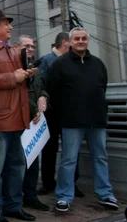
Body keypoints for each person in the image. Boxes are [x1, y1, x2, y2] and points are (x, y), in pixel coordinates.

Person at [47, 27, 118, 212]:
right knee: (68, 160)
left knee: (100, 158)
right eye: (77, 38)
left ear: (88, 41)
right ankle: (64, 197)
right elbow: (52, 92)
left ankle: (105, 194)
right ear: (69, 42)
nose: (80, 41)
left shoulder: (98, 64)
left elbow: (103, 88)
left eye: (84, 38)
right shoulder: (60, 64)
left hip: (97, 120)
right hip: (71, 121)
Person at [0, 10, 36, 222]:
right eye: (6, 24)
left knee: (17, 165)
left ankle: (13, 206)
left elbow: (17, 79)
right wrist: (13, 77)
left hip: (16, 118)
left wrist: (27, 75)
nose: (10, 27)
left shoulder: (13, 50)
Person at [38, 32, 83, 198]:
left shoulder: (74, 61)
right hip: (51, 112)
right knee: (49, 148)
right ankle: (48, 183)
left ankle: (72, 183)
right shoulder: (46, 60)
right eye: (72, 41)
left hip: (70, 112)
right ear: (65, 42)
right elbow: (40, 84)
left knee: (72, 149)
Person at [13, 35, 49, 212]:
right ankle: (15, 199)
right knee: (17, 162)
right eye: (27, 46)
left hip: (34, 122)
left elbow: (41, 87)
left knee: (33, 160)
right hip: (18, 120)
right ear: (17, 47)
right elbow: (20, 93)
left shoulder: (35, 68)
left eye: (33, 46)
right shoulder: (14, 67)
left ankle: (31, 196)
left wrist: (43, 96)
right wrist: (35, 108)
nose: (31, 49)